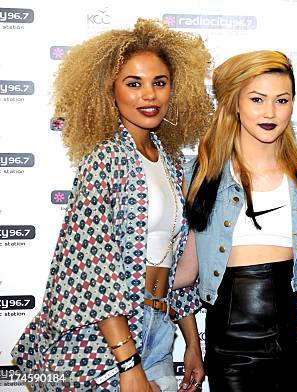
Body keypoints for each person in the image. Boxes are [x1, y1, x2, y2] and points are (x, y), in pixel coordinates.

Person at [11, 18, 213, 392]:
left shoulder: (167, 162)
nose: (148, 95)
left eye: (159, 82)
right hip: (108, 345)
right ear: (111, 91)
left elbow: (168, 258)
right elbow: (91, 269)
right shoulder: (104, 160)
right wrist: (128, 362)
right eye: (133, 84)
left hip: (159, 333)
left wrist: (193, 344)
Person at [176, 50, 297, 392]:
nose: (270, 112)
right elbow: (185, 271)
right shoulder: (202, 176)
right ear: (235, 103)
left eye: (282, 100)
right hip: (231, 340)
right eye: (257, 99)